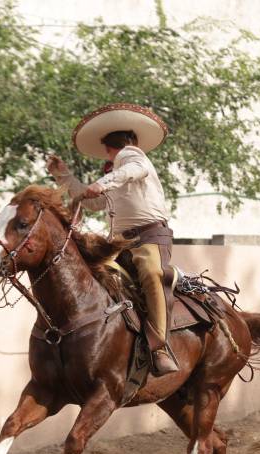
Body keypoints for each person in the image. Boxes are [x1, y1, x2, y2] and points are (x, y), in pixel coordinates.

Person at [46, 104, 178, 376]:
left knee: (153, 273)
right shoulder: (116, 173)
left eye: (107, 147)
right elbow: (93, 202)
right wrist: (64, 176)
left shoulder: (133, 158)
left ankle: (159, 347)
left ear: (110, 147)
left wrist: (104, 183)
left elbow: (132, 170)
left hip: (148, 238)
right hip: (118, 242)